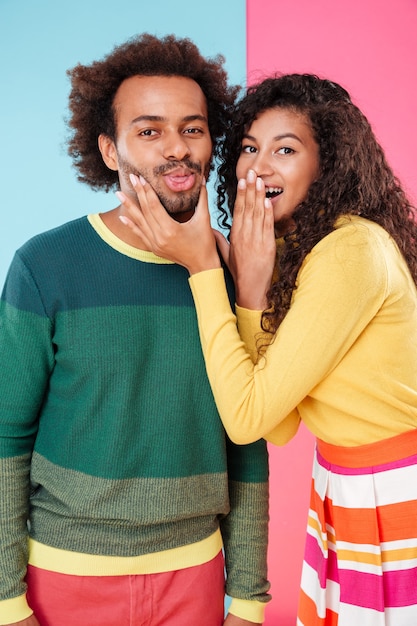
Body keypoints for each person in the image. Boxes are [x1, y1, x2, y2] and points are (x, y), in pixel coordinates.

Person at [118, 73, 417, 624]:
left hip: (395, 488)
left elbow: (248, 419)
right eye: (250, 148)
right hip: (342, 486)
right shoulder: (300, 251)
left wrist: (206, 268)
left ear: (326, 164)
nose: (259, 167)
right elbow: (275, 425)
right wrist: (251, 291)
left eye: (286, 149)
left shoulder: (349, 251)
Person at [0, 34, 272, 626]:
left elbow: (246, 436)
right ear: (109, 149)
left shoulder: (232, 272)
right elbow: (5, 437)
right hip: (64, 577)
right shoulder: (44, 265)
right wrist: (5, 601)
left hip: (196, 576)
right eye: (149, 131)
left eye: (192, 129)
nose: (177, 148)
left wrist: (248, 597)